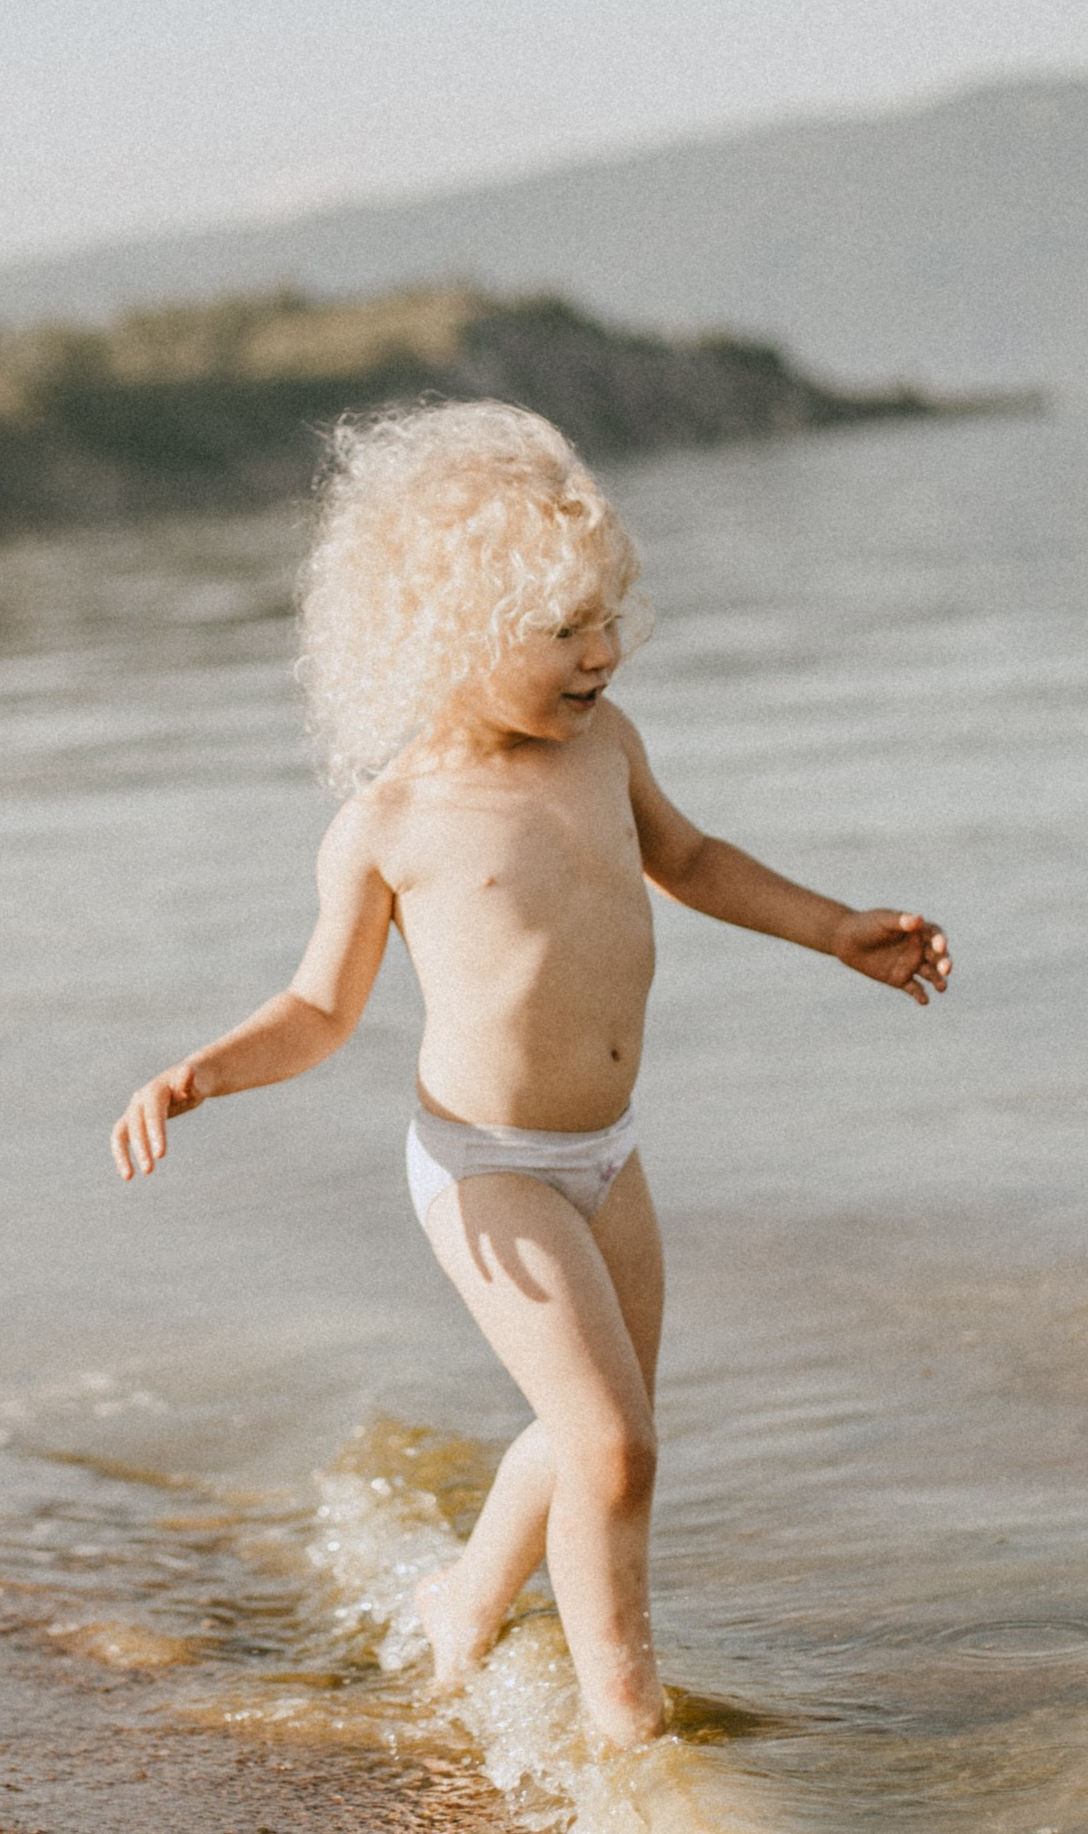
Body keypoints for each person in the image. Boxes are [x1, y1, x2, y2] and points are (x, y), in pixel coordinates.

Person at [111, 402, 949, 1747]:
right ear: (450, 631)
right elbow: (319, 1011)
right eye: (562, 630)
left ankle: (464, 1601)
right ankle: (628, 1726)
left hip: (607, 1155)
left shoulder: (606, 749)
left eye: (607, 620)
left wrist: (834, 926)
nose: (601, 653)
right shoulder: (391, 823)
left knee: (589, 1430)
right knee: (616, 1448)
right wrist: (200, 1074)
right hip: (485, 1168)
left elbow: (692, 860)